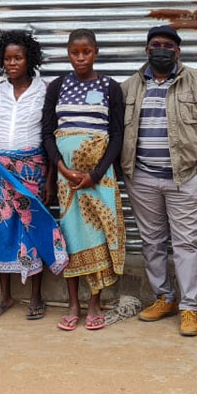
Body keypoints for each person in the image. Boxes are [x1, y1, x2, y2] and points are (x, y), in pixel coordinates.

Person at [122, 25, 197, 337]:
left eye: (169, 46)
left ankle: (190, 307)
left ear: (178, 51)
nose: (162, 50)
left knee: (186, 244)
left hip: (185, 179)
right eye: (156, 44)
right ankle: (164, 298)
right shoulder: (130, 86)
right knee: (152, 242)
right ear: (147, 49)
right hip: (142, 179)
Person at [0, 30, 67, 320]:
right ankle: (5, 295)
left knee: (32, 226)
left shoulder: (45, 91)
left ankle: (36, 294)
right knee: (2, 229)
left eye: (18, 58)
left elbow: (50, 135)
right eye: (7, 58)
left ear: (30, 60)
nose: (12, 63)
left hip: (32, 170)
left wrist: (51, 178)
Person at [41, 29, 126, 331]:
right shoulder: (57, 87)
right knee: (71, 236)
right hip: (67, 181)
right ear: (68, 53)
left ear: (96, 52)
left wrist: (96, 174)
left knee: (97, 236)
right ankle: (73, 304)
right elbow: (47, 133)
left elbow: (117, 135)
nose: (80, 58)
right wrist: (62, 169)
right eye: (74, 52)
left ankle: (94, 303)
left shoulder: (110, 87)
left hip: (99, 179)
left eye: (86, 52)